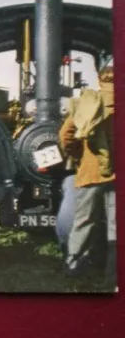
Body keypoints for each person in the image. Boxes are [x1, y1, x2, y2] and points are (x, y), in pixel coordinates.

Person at [59, 66, 115, 287]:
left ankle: (74, 270)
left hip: (90, 173)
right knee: (116, 228)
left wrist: (79, 156)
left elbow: (66, 135)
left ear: (100, 80)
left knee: (83, 222)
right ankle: (113, 278)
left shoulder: (87, 101)